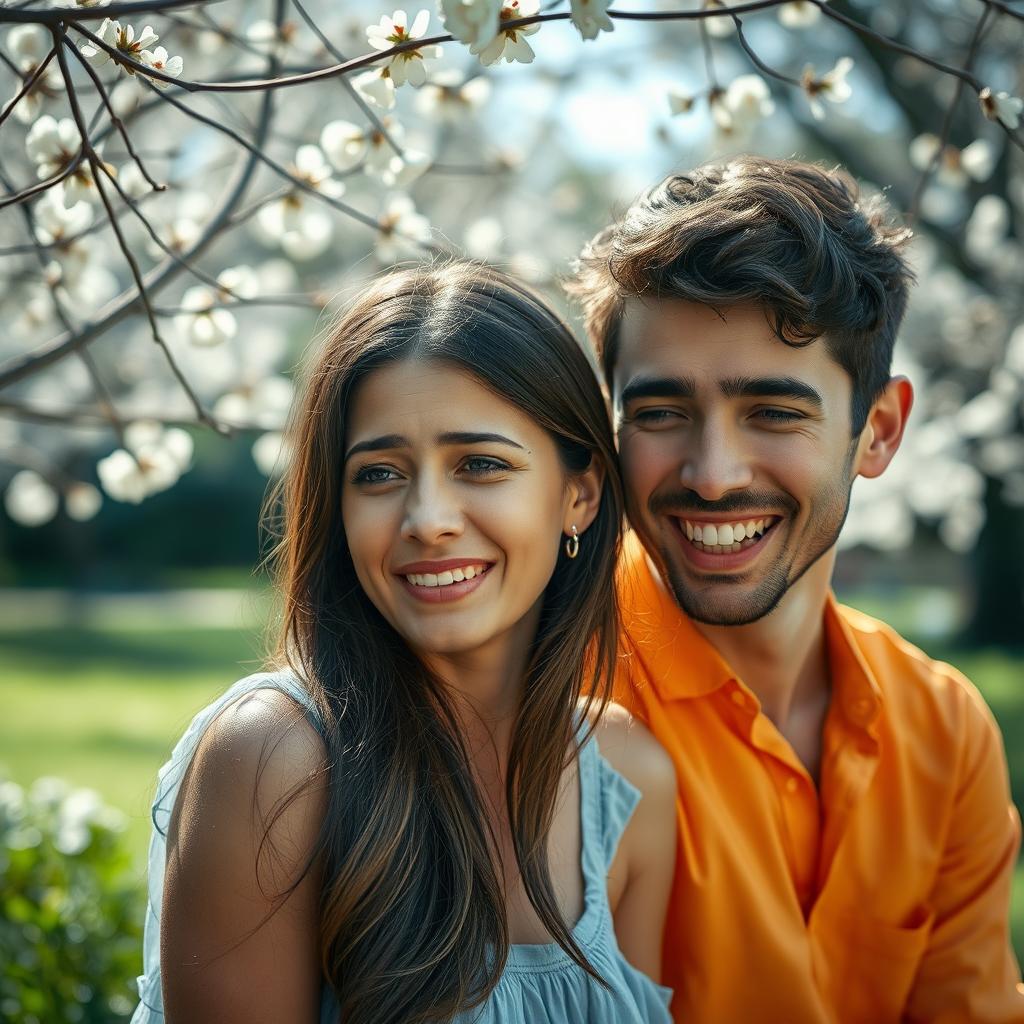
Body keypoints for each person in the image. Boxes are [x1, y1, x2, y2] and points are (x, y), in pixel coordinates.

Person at [130, 262, 677, 1024]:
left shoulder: (627, 782)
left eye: (480, 464)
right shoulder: (275, 762)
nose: (426, 518)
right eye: (379, 473)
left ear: (578, 496)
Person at [568, 156, 1024, 1023]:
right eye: (661, 412)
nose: (711, 476)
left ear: (878, 431)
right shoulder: (547, 700)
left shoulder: (947, 730)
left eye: (775, 412)